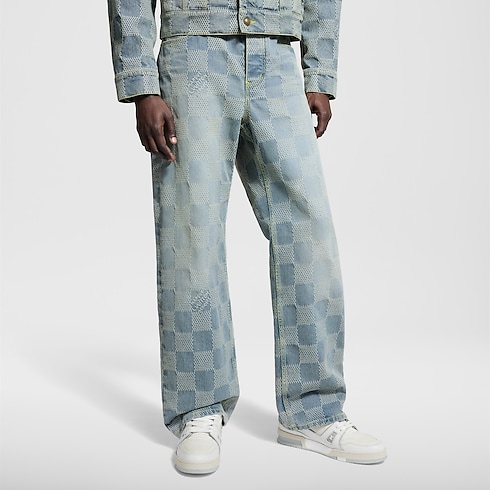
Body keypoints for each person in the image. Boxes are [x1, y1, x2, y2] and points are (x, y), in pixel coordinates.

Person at [107, 0, 387, 475]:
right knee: (191, 233)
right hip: (193, 52)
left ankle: (315, 410)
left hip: (276, 54)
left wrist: (319, 71)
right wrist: (141, 84)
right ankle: (198, 408)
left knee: (310, 231)